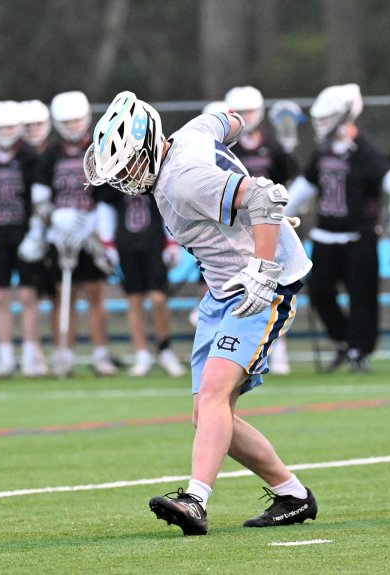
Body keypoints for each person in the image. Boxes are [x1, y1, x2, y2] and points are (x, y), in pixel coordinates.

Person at [86, 91, 316, 535]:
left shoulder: (182, 179)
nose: (125, 179)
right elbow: (230, 120)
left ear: (151, 144)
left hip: (261, 284)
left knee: (212, 395)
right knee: (208, 411)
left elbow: (266, 197)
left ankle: (195, 500)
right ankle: (292, 494)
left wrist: (263, 269)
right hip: (223, 286)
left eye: (130, 164)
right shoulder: (191, 134)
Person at [286, 84, 390, 372]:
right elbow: (305, 187)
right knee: (319, 292)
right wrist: (277, 213)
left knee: (362, 296)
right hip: (325, 236)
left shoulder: (365, 151)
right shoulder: (323, 152)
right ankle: (342, 340)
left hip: (359, 236)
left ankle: (359, 350)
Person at [30, 90, 119, 377]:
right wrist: (54, 219)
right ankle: (63, 355)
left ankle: (100, 354)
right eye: (67, 121)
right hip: (61, 234)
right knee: (61, 296)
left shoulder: (98, 151)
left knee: (95, 293)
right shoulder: (50, 156)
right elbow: (40, 198)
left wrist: (98, 233)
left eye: (77, 120)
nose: (73, 126)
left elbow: (106, 196)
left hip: (89, 233)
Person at [224, 86, 298, 375]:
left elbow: (289, 184)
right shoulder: (227, 149)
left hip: (269, 227)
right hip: (239, 229)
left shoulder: (274, 148)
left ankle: (278, 349)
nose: (247, 118)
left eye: (250, 112)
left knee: (276, 287)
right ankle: (241, 349)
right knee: (244, 288)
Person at [0, 100, 45, 378]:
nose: (4, 132)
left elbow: (40, 201)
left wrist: (36, 235)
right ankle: (4, 357)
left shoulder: (30, 158)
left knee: (28, 296)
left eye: (9, 127)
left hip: (24, 234)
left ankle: (30, 355)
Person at [97, 188, 186, 378]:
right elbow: (106, 209)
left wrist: (171, 243)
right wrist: (108, 244)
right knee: (134, 299)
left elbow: (167, 208)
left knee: (158, 298)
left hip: (154, 243)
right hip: (127, 245)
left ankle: (164, 349)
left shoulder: (153, 174)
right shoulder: (115, 179)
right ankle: (141, 354)